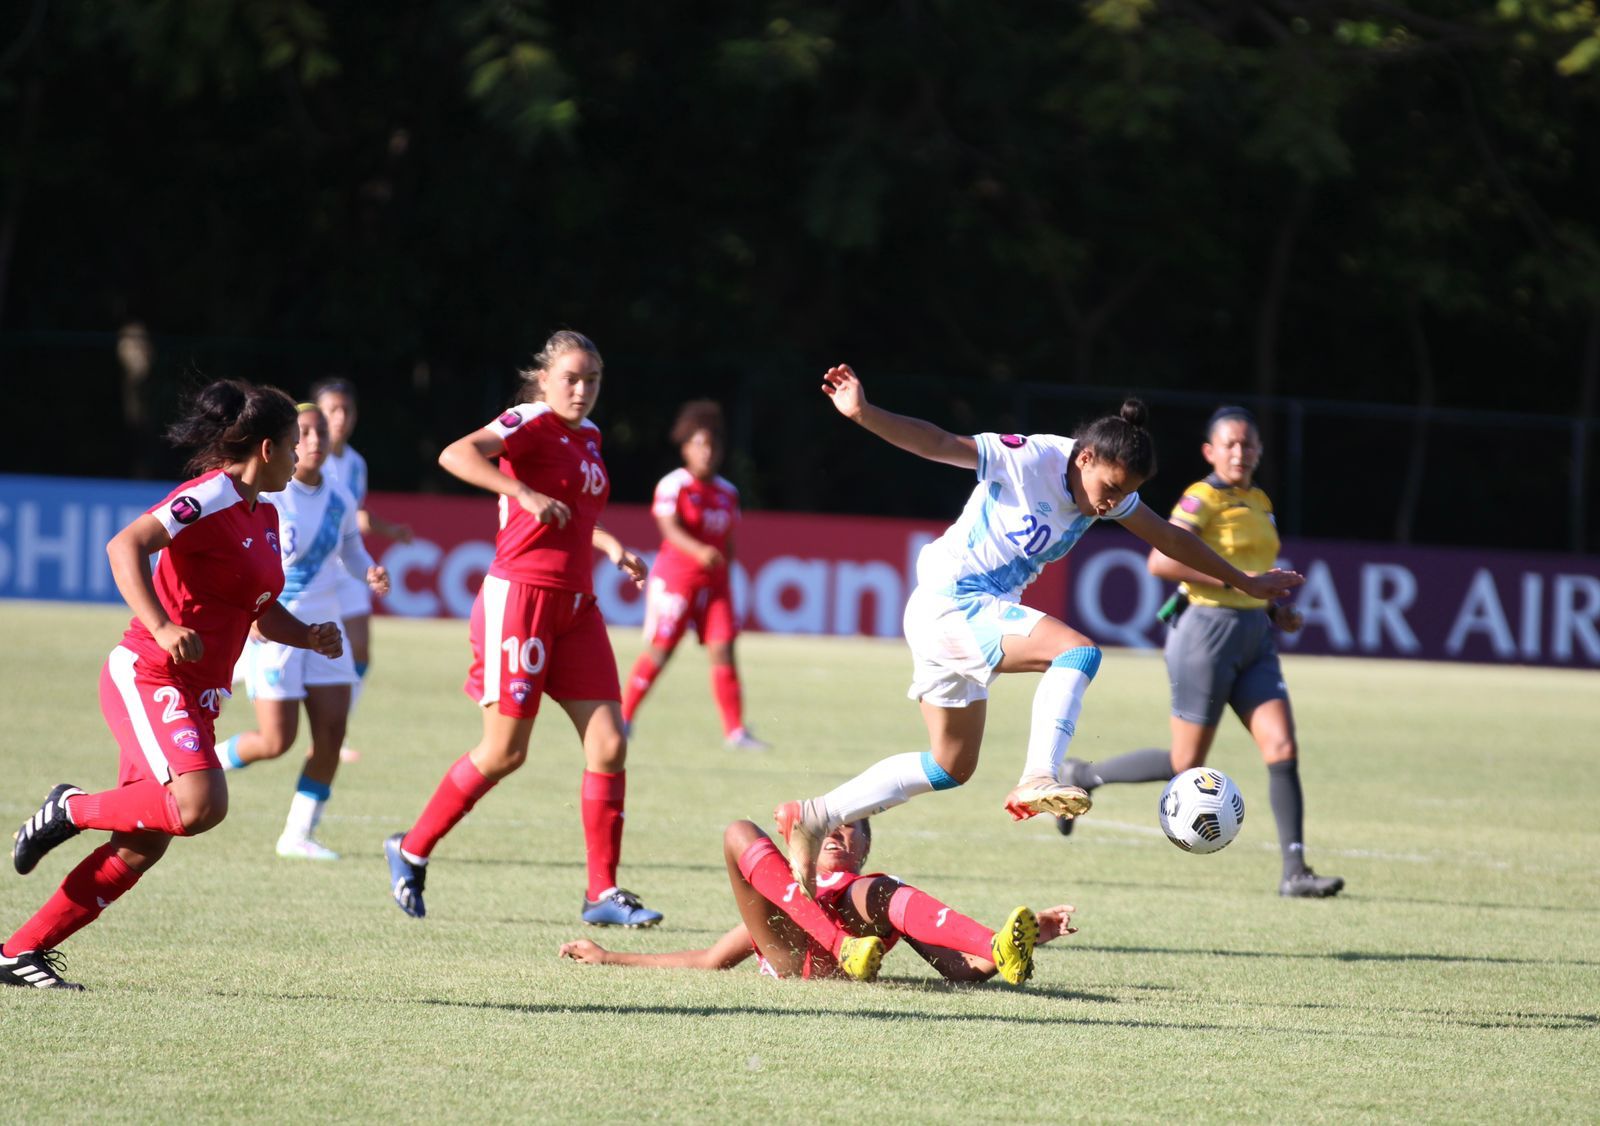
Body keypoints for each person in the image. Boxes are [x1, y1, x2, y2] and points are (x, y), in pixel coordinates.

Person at [774, 364, 1305, 893]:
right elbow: (938, 442)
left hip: (963, 616)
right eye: (1110, 489)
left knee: (949, 766)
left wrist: (1243, 581)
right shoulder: (1029, 457)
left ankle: (819, 814)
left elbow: (1169, 537)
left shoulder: (1108, 486)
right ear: (1085, 457)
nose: (1110, 504)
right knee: (1077, 653)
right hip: (952, 603)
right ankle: (1039, 775)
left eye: (1123, 497)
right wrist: (865, 413)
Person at [3, 380, 343, 990]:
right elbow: (124, 545)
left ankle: (17, 953)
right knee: (200, 806)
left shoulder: (265, 515)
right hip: (149, 673)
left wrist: (309, 634)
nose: (301, 457)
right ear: (266, 448)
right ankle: (69, 808)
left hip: (198, 695)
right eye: (294, 445)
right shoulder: (209, 494)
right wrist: (160, 626)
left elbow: (263, 612)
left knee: (142, 845)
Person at [383, 330, 663, 928]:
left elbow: (573, 518)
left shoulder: (588, 437)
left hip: (576, 605)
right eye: (571, 378)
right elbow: (455, 454)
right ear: (544, 379)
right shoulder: (528, 420)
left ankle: (602, 893)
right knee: (504, 752)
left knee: (610, 743)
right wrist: (520, 489)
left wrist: (610, 544)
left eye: (592, 380)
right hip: (522, 600)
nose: (582, 390)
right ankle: (410, 848)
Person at [1055, 406, 1344, 898]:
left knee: (1283, 749)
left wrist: (1276, 613)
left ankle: (1295, 872)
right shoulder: (1200, 497)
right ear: (1210, 451)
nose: (1240, 451)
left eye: (1248, 443)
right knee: (1184, 762)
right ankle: (1082, 774)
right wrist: (1242, 586)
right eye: (1229, 443)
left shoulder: (1261, 501)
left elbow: (1254, 578)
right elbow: (1161, 562)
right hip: (1205, 634)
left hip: (1254, 636)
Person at [559, 817, 1078, 984]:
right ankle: (840, 945)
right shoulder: (786, 883)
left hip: (843, 947)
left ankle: (1000, 943)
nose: (836, 831)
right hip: (793, 952)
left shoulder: (879, 891)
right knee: (739, 831)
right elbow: (711, 960)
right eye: (827, 826)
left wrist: (1027, 942)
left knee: (877, 890)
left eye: (851, 829)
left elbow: (958, 970)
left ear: (866, 846)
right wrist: (609, 957)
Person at [216, 403, 391, 860]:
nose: (313, 441)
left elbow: (352, 550)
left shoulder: (339, 497)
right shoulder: (272, 494)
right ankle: (205, 761)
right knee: (276, 741)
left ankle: (298, 834)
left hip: (326, 632)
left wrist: (369, 571)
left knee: (332, 733)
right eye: (305, 433)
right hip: (277, 631)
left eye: (320, 434)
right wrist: (251, 612)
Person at [621, 400, 768, 750]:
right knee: (662, 650)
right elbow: (668, 528)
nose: (707, 452)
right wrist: (699, 551)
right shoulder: (675, 485)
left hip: (716, 585)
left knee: (725, 650)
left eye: (713, 446)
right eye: (700, 444)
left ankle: (735, 732)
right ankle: (623, 718)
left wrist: (725, 572)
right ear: (686, 447)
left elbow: (728, 542)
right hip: (677, 579)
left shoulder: (728, 493)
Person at [310, 377, 414, 762]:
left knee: (362, 651)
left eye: (346, 410)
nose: (340, 417)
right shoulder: (303, 457)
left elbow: (358, 515)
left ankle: (335, 734)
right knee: (277, 640)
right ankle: (227, 678)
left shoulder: (355, 463)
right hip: (313, 565)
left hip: (348, 563)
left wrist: (391, 530)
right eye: (332, 409)